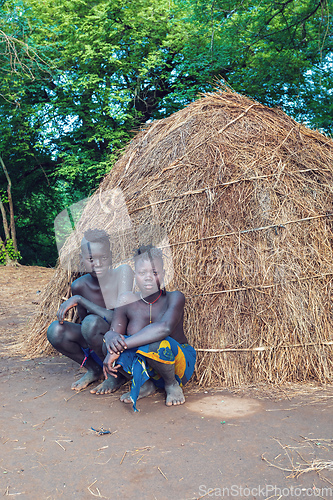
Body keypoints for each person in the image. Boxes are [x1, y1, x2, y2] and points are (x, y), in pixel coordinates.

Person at [102, 245, 196, 411]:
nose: (148, 278)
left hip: (177, 366)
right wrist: (110, 338)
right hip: (146, 364)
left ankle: (171, 385)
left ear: (164, 274)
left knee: (155, 343)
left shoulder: (175, 298)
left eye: (154, 272)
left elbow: (164, 328)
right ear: (135, 275)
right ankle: (144, 383)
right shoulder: (126, 300)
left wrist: (122, 344)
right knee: (109, 345)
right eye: (142, 273)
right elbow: (114, 332)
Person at [47, 228, 133, 391]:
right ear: (82, 260)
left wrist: (81, 300)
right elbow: (83, 321)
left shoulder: (123, 273)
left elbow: (119, 318)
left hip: (123, 337)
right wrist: (81, 299)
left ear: (112, 256)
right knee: (55, 330)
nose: (98, 264)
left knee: (91, 323)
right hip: (98, 340)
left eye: (104, 257)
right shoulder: (79, 285)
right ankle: (95, 369)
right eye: (91, 259)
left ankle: (116, 375)